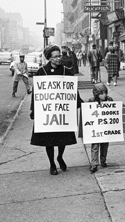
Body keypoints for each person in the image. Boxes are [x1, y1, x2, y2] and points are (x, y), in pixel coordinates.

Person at [30, 45, 84, 175]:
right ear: (49, 58)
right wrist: (33, 109)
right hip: (47, 114)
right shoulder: (42, 71)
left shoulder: (66, 71)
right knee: (48, 140)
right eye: (55, 56)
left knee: (62, 138)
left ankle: (60, 156)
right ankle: (52, 164)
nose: (59, 58)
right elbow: (36, 92)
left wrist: (80, 103)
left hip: (63, 114)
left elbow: (72, 91)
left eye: (59, 55)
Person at [88, 83, 113, 173]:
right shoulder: (91, 101)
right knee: (95, 146)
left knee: (104, 145)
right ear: (96, 94)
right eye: (102, 93)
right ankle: (94, 163)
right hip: (96, 127)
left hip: (105, 127)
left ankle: (103, 161)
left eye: (105, 93)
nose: (104, 95)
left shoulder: (109, 100)